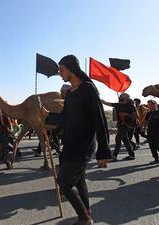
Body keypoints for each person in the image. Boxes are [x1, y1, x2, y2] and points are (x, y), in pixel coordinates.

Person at [46, 55, 111, 225]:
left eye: (61, 69)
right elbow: (65, 118)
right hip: (69, 144)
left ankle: (84, 218)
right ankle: (87, 213)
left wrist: (103, 152)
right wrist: (46, 116)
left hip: (83, 146)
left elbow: (100, 120)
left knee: (63, 182)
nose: (59, 73)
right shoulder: (70, 94)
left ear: (71, 68)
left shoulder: (88, 89)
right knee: (80, 182)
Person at [101, 93, 137, 161]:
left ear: (126, 97)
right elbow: (106, 103)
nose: (120, 96)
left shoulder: (131, 106)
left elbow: (135, 116)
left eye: (122, 95)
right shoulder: (118, 105)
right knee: (125, 140)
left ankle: (114, 156)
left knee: (118, 138)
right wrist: (98, 98)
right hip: (120, 125)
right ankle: (131, 155)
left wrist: (126, 114)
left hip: (127, 125)